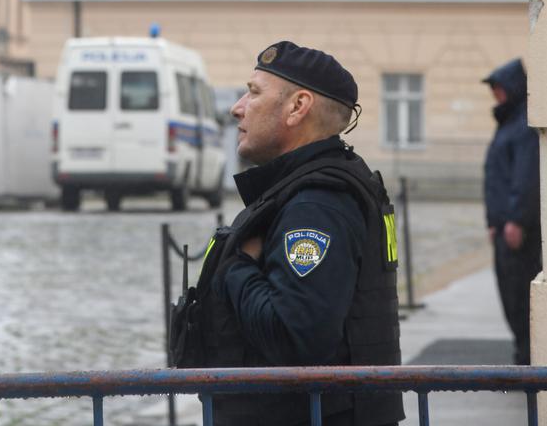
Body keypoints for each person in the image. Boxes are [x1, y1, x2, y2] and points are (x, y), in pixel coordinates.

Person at [170, 40, 403, 426]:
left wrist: (238, 266)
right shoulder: (305, 189)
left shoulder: (317, 204)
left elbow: (296, 336)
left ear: (297, 107)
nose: (237, 107)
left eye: (254, 92)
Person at [482, 57, 541, 365]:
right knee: (509, 294)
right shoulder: (509, 123)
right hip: (504, 226)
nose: (496, 95)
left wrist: (517, 220)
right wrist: (494, 221)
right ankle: (523, 354)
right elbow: (499, 177)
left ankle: (529, 358)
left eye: (500, 88)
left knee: (520, 296)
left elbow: (525, 177)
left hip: (517, 230)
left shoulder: (523, 126)